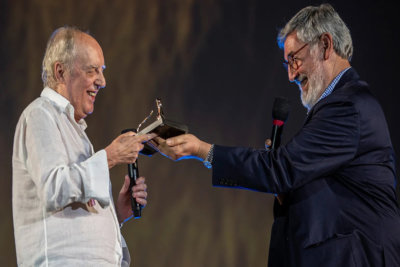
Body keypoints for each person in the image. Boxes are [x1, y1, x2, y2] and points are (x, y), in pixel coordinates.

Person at [153, 4, 400, 266]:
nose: (292, 74)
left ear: (325, 45)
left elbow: (283, 168)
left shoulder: (347, 107)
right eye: (287, 64)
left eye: (295, 59)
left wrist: (202, 150)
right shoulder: (340, 106)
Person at [12, 26, 154, 266]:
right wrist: (109, 157)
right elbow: (53, 187)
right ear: (61, 72)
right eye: (92, 70)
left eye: (102, 71)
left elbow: (73, 224)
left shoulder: (75, 130)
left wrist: (116, 214)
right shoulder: (40, 115)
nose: (102, 81)